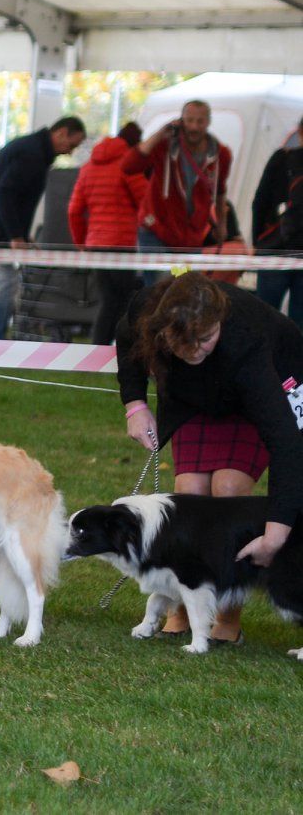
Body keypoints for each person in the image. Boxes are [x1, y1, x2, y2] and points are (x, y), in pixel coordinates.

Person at [116, 272, 303, 641]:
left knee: (230, 489)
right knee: (189, 491)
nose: (196, 351)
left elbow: (287, 444)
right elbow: (126, 338)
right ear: (163, 331)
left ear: (217, 323)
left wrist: (276, 534)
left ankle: (227, 620)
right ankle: (185, 607)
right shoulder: (146, 309)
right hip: (191, 399)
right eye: (183, 343)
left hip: (260, 391)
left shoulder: (248, 343)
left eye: (205, 339)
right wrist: (134, 402)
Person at [0, 116, 87, 339]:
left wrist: (22, 235)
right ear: (61, 132)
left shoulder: (32, 149)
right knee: (5, 279)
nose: (70, 152)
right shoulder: (32, 154)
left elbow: (12, 196)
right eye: (72, 144)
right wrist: (15, 235)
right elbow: (4, 194)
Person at [124, 100, 233, 285]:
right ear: (181, 120)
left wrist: (222, 224)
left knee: (185, 285)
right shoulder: (165, 146)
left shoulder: (221, 154)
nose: (194, 127)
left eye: (200, 121)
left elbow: (220, 191)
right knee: (161, 285)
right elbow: (129, 166)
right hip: (155, 229)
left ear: (208, 122)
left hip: (190, 236)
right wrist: (160, 134)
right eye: (189, 120)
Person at [68, 121, 148, 345]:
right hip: (121, 243)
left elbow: (74, 211)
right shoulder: (129, 165)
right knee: (126, 300)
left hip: (95, 244)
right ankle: (125, 347)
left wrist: (81, 242)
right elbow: (144, 201)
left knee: (109, 300)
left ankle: (99, 347)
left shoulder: (87, 167)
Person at [252, 116, 303, 329]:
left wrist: (257, 241)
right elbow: (260, 201)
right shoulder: (281, 159)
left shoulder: (281, 158)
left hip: (275, 247)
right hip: (277, 249)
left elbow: (259, 202)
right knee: (294, 321)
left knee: (264, 318)